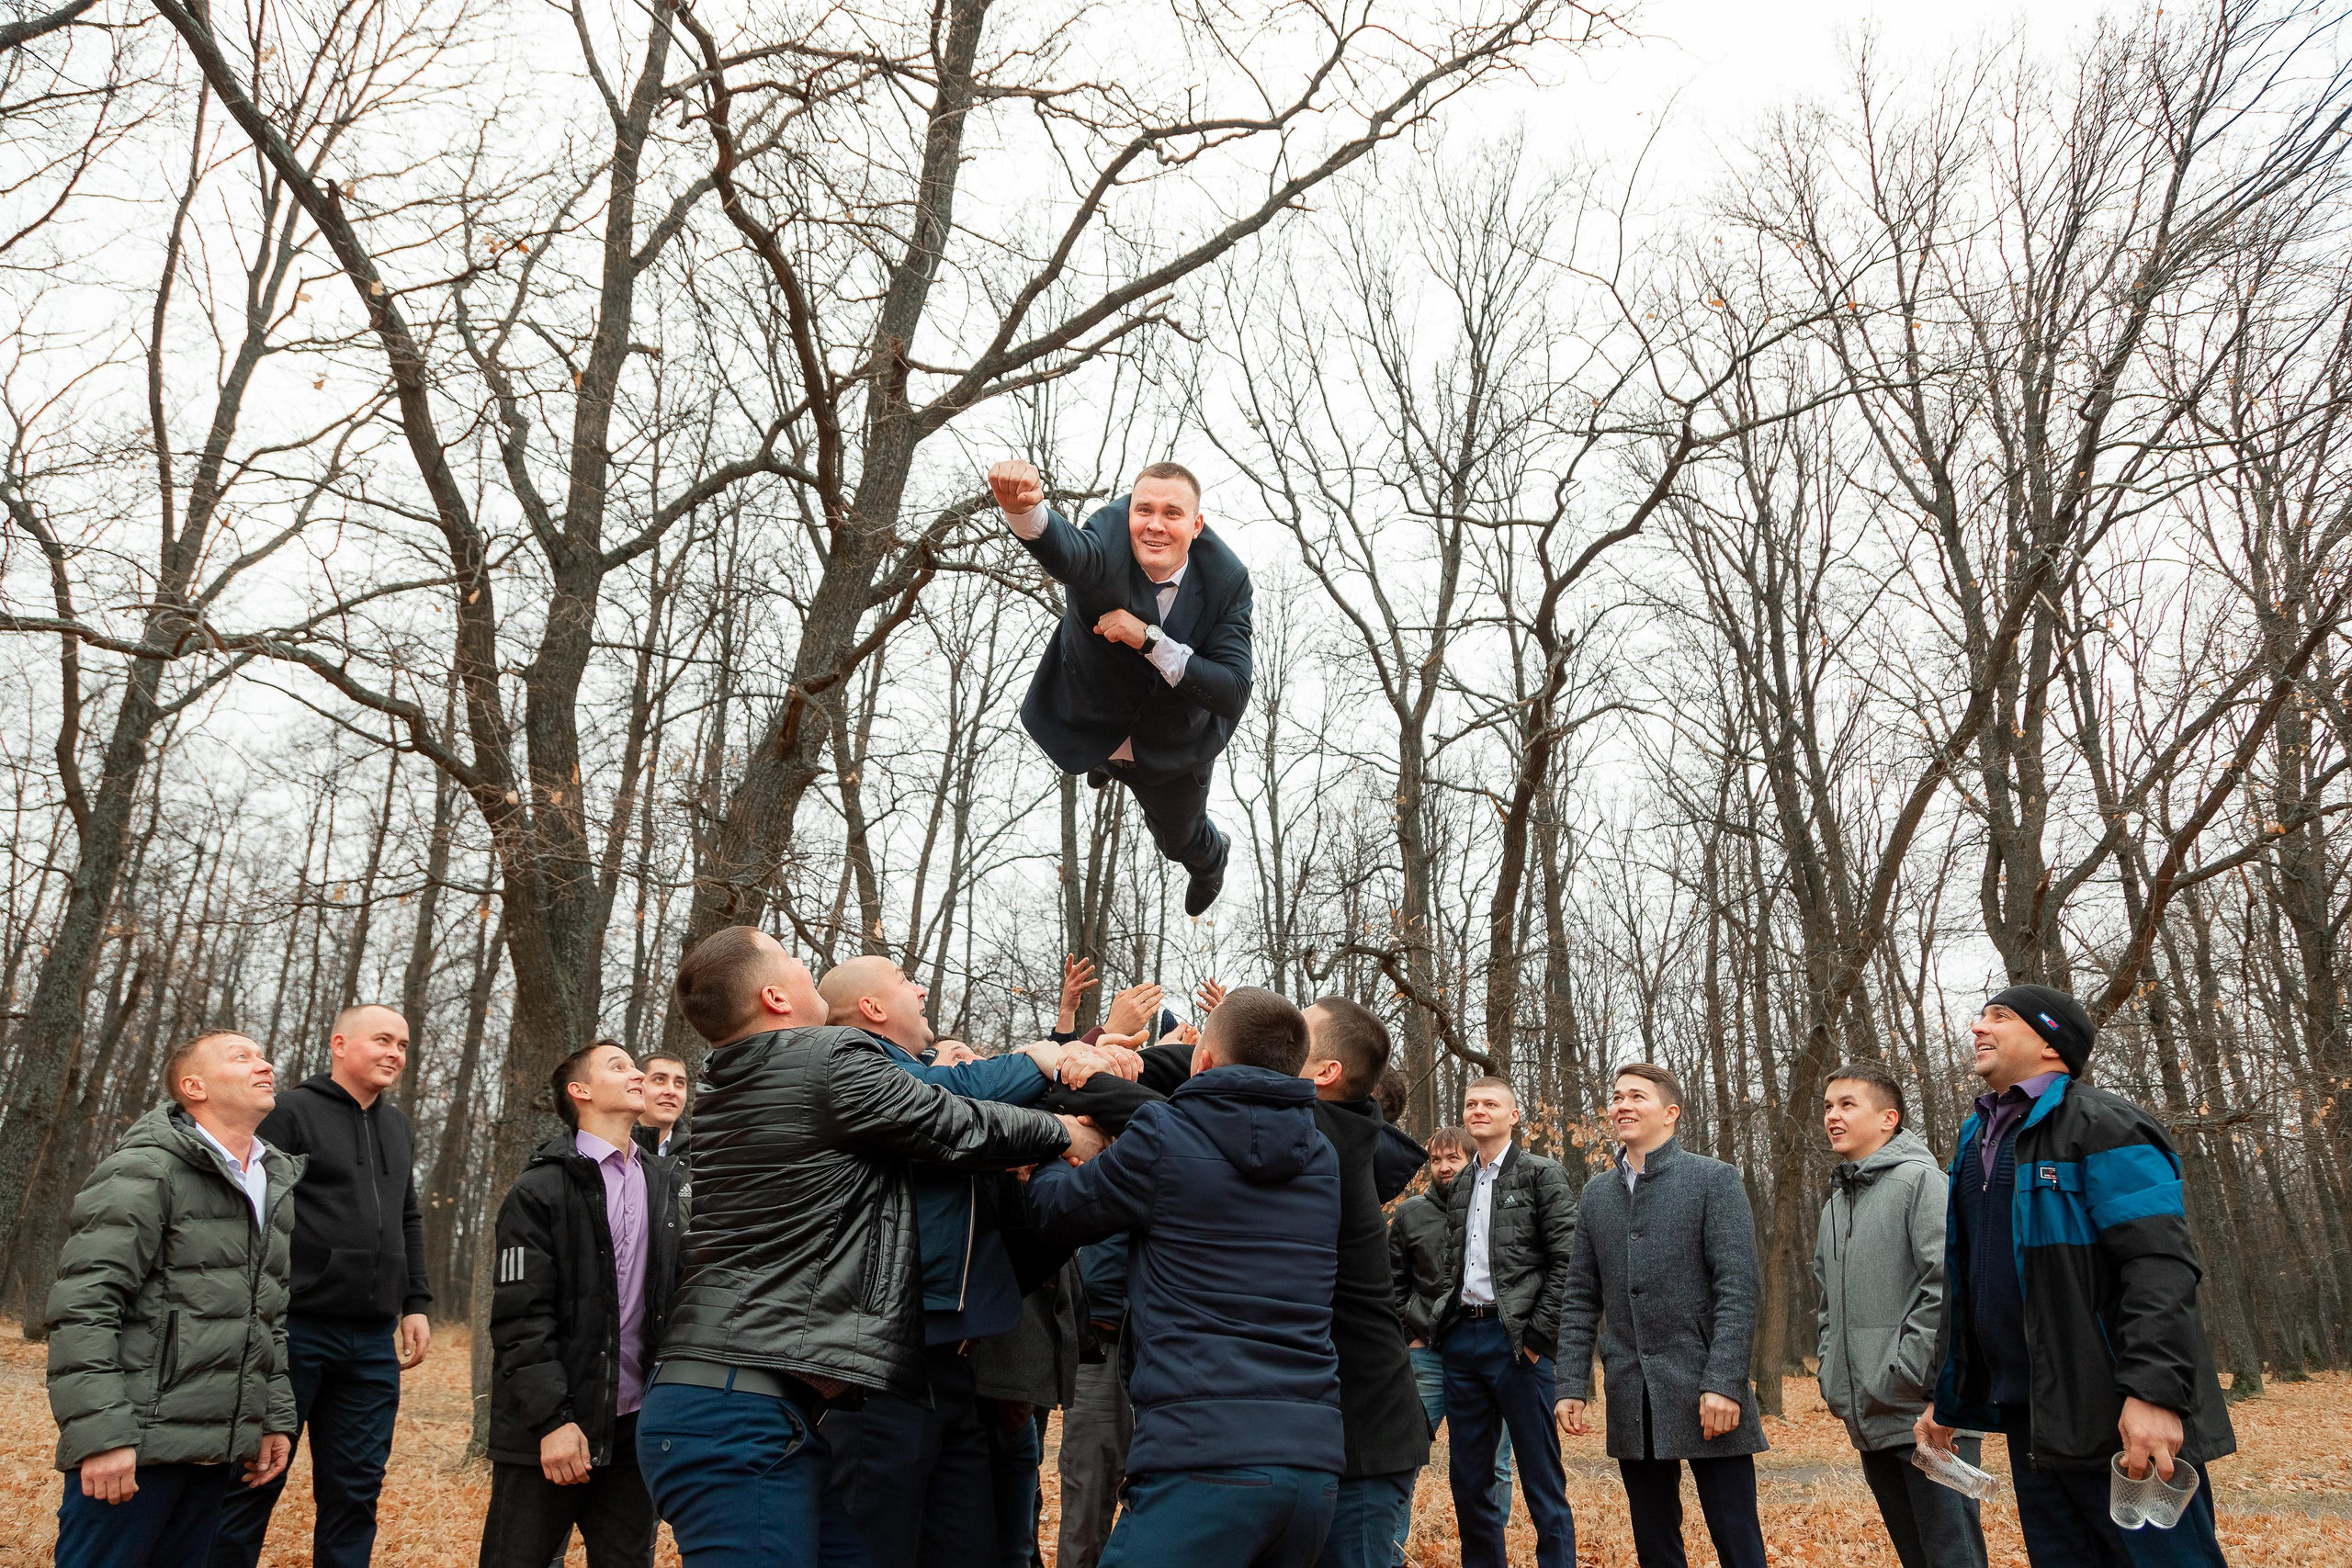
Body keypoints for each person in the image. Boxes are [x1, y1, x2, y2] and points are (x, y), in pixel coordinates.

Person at [635, 924, 1102, 1568]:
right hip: (734, 1416)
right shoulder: (819, 1057)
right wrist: (1060, 1131)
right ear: (775, 996)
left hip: (750, 1408)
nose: (809, 968)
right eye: (795, 959)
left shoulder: (738, 1080)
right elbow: (948, 1117)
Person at [1916, 987, 2236, 1567]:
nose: (1976, 1028)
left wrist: (2153, 1394)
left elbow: (2159, 1266)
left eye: (1999, 1017)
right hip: (2032, 1422)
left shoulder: (2106, 1124)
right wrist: (1948, 1395)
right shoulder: (1976, 1137)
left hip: (2116, 1421)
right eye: (1981, 1016)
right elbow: (1969, 1278)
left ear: (2050, 1043)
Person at [1026, 987, 1344, 1567]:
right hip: (1312, 1471)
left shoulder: (1165, 1137)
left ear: (1202, 1060)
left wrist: (1059, 1146)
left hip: (1202, 1458)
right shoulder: (1321, 1156)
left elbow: (1054, 1213)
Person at [814, 954, 1112, 1567]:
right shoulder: (857, 1066)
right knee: (876, 1548)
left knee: (967, 1547)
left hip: (956, 1368)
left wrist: (1094, 1073)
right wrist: (1043, 1061)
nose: (920, 988)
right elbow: (956, 1097)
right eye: (903, 981)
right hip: (879, 1369)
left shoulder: (923, 1080)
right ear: (872, 1008)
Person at [46, 1032, 300, 1568]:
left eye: (263, 1055)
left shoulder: (270, 1180)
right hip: (136, 1445)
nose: (265, 1064)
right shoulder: (144, 1170)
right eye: (242, 1056)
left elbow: (266, 1316)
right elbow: (84, 1306)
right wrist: (101, 1436)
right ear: (194, 1086)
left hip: (217, 1451)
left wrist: (273, 1418)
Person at [208, 1004, 432, 1568]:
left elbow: (408, 1216)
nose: (395, 1054)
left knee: (356, 1493)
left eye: (402, 1045)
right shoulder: (288, 1113)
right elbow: (253, 1209)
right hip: (294, 1328)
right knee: (254, 1480)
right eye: (383, 1040)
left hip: (373, 1342)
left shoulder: (398, 1126)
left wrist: (416, 1302)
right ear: (339, 1044)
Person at [989, 457, 1253, 915]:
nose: (1154, 526)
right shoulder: (1106, 545)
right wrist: (1023, 510)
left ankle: (1211, 860)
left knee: (1178, 841)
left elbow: (1231, 691)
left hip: (1173, 744)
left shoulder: (1226, 582)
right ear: (1129, 511)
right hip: (1092, 718)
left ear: (1196, 525)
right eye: (1143, 510)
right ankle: (1106, 761)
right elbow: (1067, 549)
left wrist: (1150, 640)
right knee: (1097, 753)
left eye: (1172, 514)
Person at [478, 1042, 684, 1568]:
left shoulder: (667, 1185)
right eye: (620, 1067)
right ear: (581, 1091)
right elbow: (520, 1319)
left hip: (634, 1432)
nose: (638, 1075)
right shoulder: (539, 1189)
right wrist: (552, 1421)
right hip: (548, 1434)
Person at [1555, 1064, 1767, 1568]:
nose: (1622, 1104)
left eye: (1637, 1096)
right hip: (1632, 1389)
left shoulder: (1713, 1179)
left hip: (1707, 1387)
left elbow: (1738, 1288)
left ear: (1670, 1113)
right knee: (1655, 1544)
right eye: (1617, 1096)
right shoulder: (1596, 1193)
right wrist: (1569, 1384)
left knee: (1737, 1537)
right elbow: (1580, 1296)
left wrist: (1725, 1382)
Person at [1815, 1061, 1987, 1568]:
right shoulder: (1834, 1207)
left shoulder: (1924, 1184)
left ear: (1889, 1119)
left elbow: (1948, 1288)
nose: (1833, 1116)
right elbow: (1828, 1308)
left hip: (1925, 1415)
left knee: (1952, 1557)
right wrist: (1833, 1374)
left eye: (1848, 1105)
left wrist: (1912, 1378)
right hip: (1868, 1413)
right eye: (1828, 1106)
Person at [1295, 998, 1430, 1568]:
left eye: (1295, 1034)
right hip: (1327, 1438)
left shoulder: (1335, 1135)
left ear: (1326, 1074)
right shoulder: (1316, 1132)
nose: (1278, 1038)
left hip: (1367, 1440)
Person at [1433, 1077, 1578, 1568]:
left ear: (1513, 1116)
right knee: (1469, 1481)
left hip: (1518, 1344)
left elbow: (1568, 1262)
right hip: (1462, 1341)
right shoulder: (1459, 1183)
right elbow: (1452, 1266)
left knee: (1541, 1478)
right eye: (1471, 1103)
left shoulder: (1542, 1174)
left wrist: (1537, 1337)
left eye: (1490, 1103)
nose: (1478, 1110)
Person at [1386, 1127, 1510, 1564]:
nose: (1443, 1167)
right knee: (1404, 1458)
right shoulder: (1410, 1215)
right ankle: (1392, 1552)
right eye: (1436, 1160)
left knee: (1494, 1464)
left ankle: (1488, 1552)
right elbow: (1393, 1283)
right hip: (1428, 1356)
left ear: (1471, 1161)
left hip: (1489, 1349)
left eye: (1452, 1159)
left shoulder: (1496, 1204)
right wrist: (1413, 1333)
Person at [634, 1048, 690, 1167]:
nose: (671, 1091)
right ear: (637, 1087)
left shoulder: (700, 1155)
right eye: (659, 1079)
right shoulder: (611, 1147)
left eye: (679, 1083)